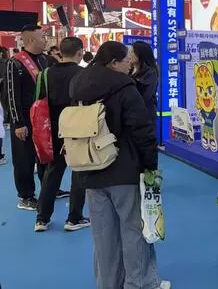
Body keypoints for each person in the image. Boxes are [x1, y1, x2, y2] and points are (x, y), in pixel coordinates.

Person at [69, 41, 170, 289]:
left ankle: (109, 284)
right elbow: (142, 131)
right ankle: (138, 283)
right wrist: (150, 167)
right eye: (125, 60)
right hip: (124, 168)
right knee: (133, 230)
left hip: (89, 168)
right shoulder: (125, 88)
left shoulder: (78, 86)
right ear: (114, 63)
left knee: (103, 236)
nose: (129, 64)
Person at [6, 25, 66, 211]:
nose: (46, 40)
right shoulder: (15, 63)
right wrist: (17, 122)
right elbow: (11, 94)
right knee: (24, 159)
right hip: (24, 119)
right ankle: (26, 196)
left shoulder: (45, 60)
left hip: (44, 117)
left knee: (46, 155)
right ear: (31, 40)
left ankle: (49, 188)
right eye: (42, 37)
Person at [35, 37, 89, 232]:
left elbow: (38, 101)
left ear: (60, 52)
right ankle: (74, 218)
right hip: (78, 128)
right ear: (80, 52)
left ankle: (42, 219)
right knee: (79, 171)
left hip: (53, 129)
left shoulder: (44, 74)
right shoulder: (84, 74)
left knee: (53, 171)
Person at [130, 41, 159, 121]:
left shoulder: (150, 73)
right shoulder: (129, 69)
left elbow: (145, 96)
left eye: (132, 52)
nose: (129, 55)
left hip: (144, 115)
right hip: (131, 114)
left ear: (140, 54)